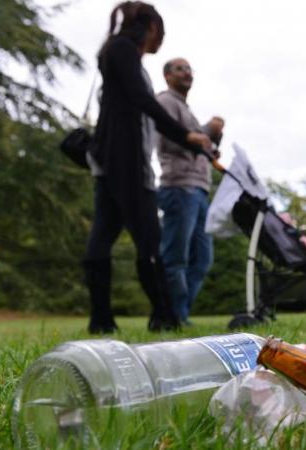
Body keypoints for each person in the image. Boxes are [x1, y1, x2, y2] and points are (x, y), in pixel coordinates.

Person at [83, 1, 212, 333]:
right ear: (151, 28)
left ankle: (102, 320)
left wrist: (188, 138)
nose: (161, 41)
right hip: (126, 159)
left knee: (105, 233)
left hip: (109, 158)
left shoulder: (117, 53)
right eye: (161, 33)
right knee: (148, 239)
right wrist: (187, 136)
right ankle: (163, 314)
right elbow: (144, 102)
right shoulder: (123, 50)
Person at [155, 58, 224, 325]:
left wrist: (211, 134)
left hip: (200, 190)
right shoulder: (165, 103)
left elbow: (198, 139)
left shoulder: (185, 108)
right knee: (175, 257)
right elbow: (169, 137)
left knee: (203, 259)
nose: (187, 73)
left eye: (189, 69)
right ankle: (173, 316)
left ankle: (179, 313)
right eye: (180, 69)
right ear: (167, 75)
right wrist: (200, 136)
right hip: (178, 186)